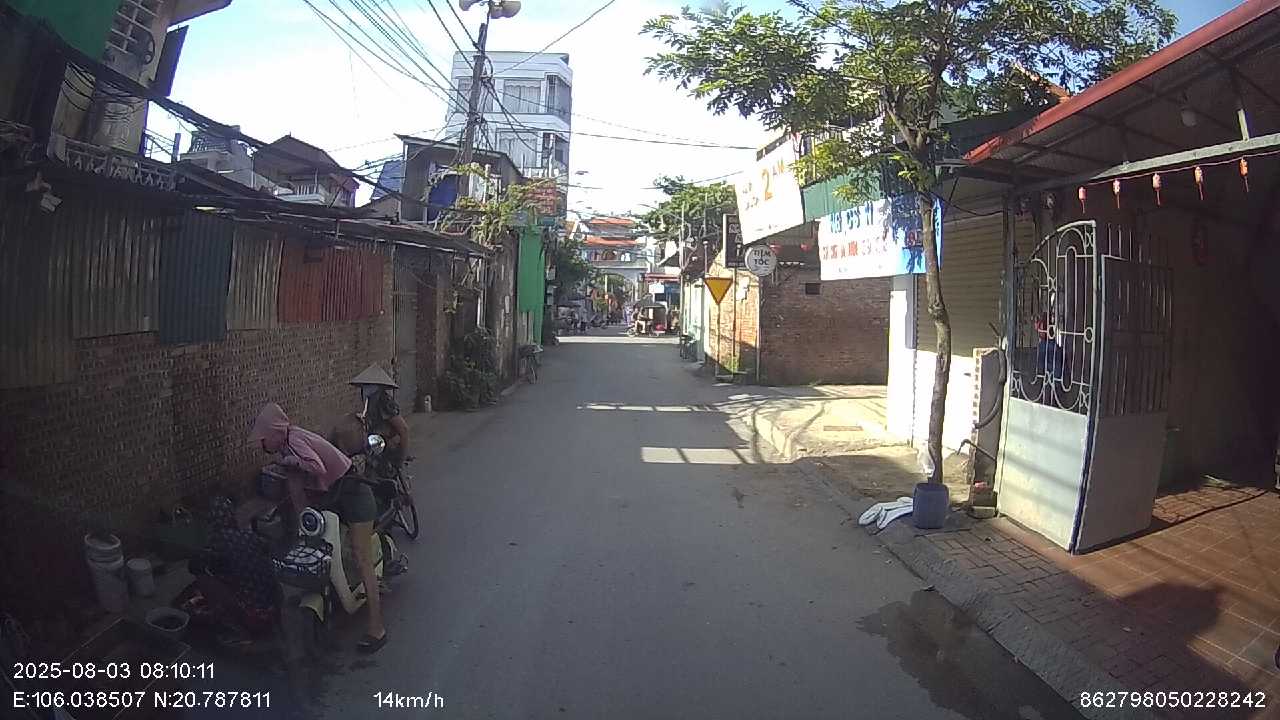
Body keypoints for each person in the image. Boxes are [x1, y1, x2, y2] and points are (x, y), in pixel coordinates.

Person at [248, 403, 387, 653]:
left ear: (274, 432)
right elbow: (297, 491)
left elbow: (316, 467)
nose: (262, 445)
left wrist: (290, 462)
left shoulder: (294, 441)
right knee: (323, 546)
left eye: (263, 439)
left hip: (353, 492)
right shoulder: (285, 446)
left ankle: (377, 629)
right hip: (333, 495)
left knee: (361, 557)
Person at [349, 365, 410, 476]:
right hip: (371, 445)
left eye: (369, 386)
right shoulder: (368, 402)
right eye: (365, 386)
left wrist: (401, 456)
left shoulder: (384, 401)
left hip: (385, 445)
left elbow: (403, 428)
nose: (366, 390)